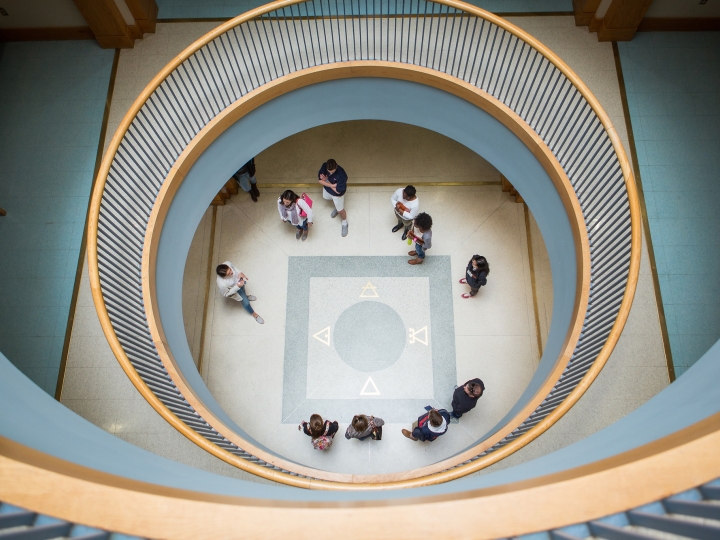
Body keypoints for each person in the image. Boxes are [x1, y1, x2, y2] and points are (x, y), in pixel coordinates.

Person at [318, 158, 348, 237]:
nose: (330, 172)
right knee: (326, 197)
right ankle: (337, 207)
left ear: (336, 166)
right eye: (329, 171)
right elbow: (320, 181)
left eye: (333, 171)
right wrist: (331, 184)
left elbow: (338, 191)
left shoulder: (342, 175)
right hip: (328, 189)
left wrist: (326, 180)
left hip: (337, 194)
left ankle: (345, 223)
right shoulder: (324, 166)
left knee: (341, 210)